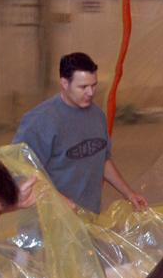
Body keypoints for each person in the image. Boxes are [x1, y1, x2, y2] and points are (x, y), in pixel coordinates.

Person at [13, 51, 147, 214]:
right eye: (83, 87)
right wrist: (60, 201)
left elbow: (102, 159)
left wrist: (129, 193)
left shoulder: (97, 115)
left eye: (94, 85)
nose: (90, 93)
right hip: (49, 222)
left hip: (88, 215)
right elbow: (22, 172)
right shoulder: (39, 121)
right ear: (64, 83)